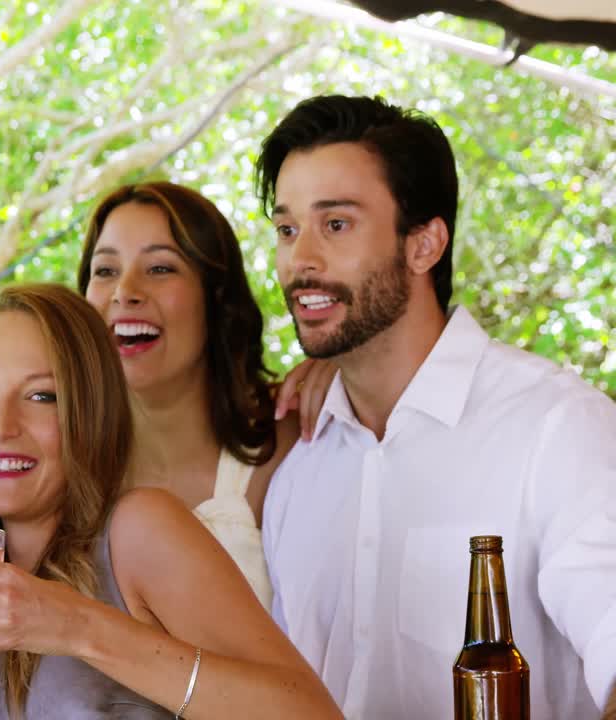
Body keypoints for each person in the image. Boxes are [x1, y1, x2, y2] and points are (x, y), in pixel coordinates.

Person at [255, 94, 616, 719]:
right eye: (287, 229)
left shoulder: (557, 428)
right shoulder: (299, 466)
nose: (301, 260)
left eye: (335, 224)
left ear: (424, 245)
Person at [0, 283, 340, 719]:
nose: (0, 425)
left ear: (90, 413)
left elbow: (311, 713)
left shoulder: (138, 530)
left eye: (41, 396)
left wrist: (74, 625)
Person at [76, 181, 333, 610]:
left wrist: (343, 368)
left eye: (160, 268)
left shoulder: (292, 440)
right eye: (105, 271)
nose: (125, 291)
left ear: (216, 297)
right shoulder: (61, 460)